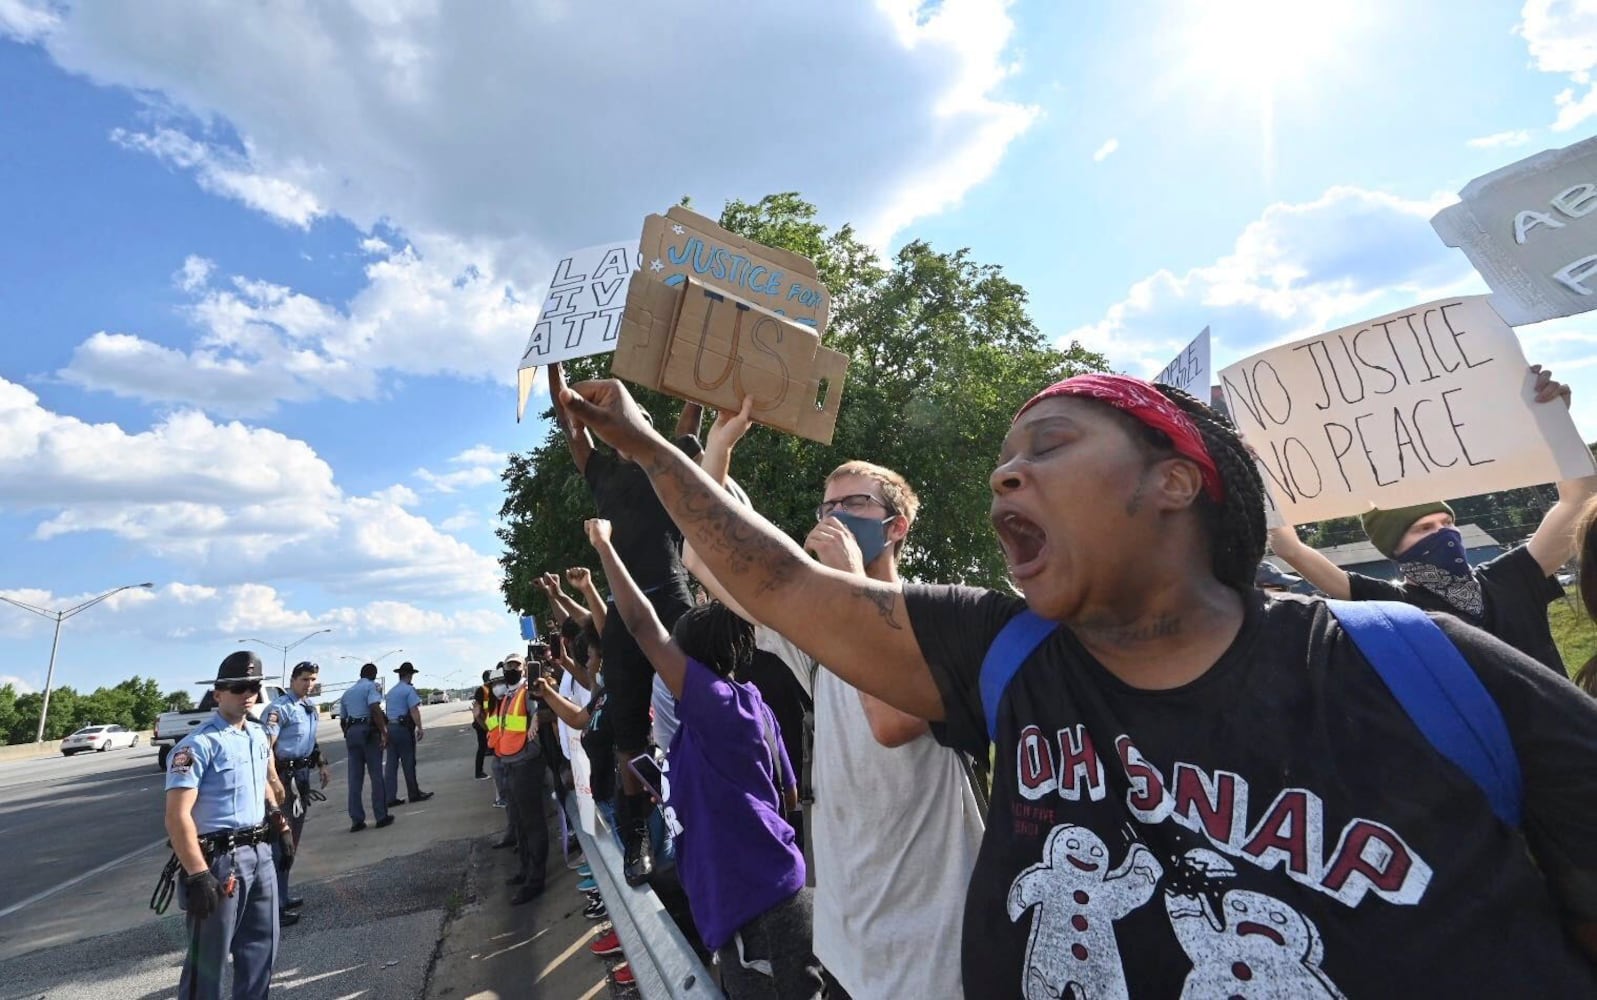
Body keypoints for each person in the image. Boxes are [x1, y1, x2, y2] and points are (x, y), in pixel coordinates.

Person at [556, 373, 1597, 996]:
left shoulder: (1418, 667)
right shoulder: (1005, 655)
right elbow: (780, 580)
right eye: (1003, 460)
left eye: (1046, 446)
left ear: (1175, 480)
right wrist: (650, 445)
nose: (1006, 474)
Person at [690, 400, 982, 999]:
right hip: (850, 927)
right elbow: (702, 557)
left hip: (935, 925)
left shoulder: (938, 618)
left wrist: (851, 576)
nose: (836, 516)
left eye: (855, 504)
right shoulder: (818, 630)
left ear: (896, 526)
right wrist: (718, 450)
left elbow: (894, 722)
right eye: (828, 507)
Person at [587, 516, 822, 999]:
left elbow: (640, 625)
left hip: (754, 911)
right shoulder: (749, 700)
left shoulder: (716, 703)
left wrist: (605, 546)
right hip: (779, 891)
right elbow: (788, 793)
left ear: (690, 664)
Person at [1268, 364, 1595, 674]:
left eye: (1447, 523)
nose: (1445, 534)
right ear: (1395, 547)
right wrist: (1262, 473)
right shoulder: (1392, 604)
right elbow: (1289, 548)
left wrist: (1557, 423)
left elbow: (1581, 499)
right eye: (1425, 528)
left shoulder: (1510, 577)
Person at [550, 359, 703, 885]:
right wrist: (556, 366)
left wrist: (700, 355)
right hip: (624, 614)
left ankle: (714, 802)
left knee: (707, 705)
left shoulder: (669, 458)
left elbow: (694, 407)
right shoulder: (603, 472)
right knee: (627, 734)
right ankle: (637, 834)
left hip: (674, 603)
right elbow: (570, 421)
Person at [164, 650, 292, 1000]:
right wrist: (197, 873)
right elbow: (177, 816)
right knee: (208, 961)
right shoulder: (197, 745)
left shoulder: (256, 736)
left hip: (260, 853)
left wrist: (280, 824)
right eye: (237, 687)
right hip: (219, 861)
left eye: (252, 686)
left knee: (261, 950)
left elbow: (264, 783)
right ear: (218, 693)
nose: (247, 693)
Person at [262, 660, 330, 928]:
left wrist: (322, 763)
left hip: (301, 777)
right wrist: (274, 780)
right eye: (304, 679)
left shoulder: (308, 708)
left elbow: (310, 742)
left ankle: (283, 895)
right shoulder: (279, 709)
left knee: (292, 841)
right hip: (283, 778)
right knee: (280, 843)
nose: (309, 684)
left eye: (313, 679)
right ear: (292, 680)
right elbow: (266, 748)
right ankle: (273, 907)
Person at [490, 650, 549, 905]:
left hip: (526, 764)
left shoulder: (527, 692)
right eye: (507, 666)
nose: (511, 669)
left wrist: (536, 718)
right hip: (509, 764)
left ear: (524, 668)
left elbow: (538, 711)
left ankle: (535, 880)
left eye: (515, 665)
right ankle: (525, 870)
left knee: (532, 823)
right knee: (521, 824)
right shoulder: (508, 695)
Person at [339, 663, 393, 832]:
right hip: (368, 732)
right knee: (376, 775)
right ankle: (381, 816)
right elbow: (375, 709)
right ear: (374, 675)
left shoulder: (347, 693)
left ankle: (357, 820)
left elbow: (342, 719)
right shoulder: (370, 687)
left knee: (354, 779)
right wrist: (384, 732)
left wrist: (348, 735)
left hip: (352, 733)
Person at [383, 662, 434, 807]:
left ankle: (390, 797)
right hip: (403, 729)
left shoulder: (391, 692)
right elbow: (414, 710)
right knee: (408, 762)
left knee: (391, 765)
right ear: (410, 675)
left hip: (391, 728)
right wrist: (420, 728)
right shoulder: (408, 690)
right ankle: (414, 793)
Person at [472, 669, 494, 780]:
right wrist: (484, 727)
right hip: (481, 725)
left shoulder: (491, 689)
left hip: (488, 724)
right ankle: (478, 772)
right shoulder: (482, 690)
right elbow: (477, 711)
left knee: (488, 747)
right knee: (482, 748)